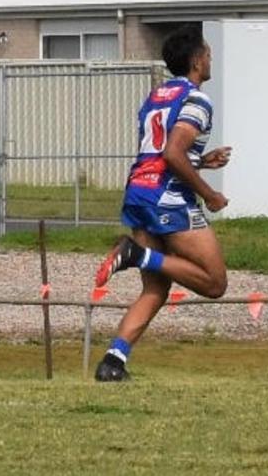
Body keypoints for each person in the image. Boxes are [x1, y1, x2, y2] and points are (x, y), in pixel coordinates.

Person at [92, 23, 232, 382]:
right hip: (168, 199)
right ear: (198, 60)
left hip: (139, 191)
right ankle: (137, 255)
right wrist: (210, 194)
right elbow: (172, 153)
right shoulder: (198, 99)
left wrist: (202, 160)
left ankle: (113, 363)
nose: (211, 59)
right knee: (215, 283)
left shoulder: (156, 96)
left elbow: (157, 151)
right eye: (209, 54)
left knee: (155, 287)